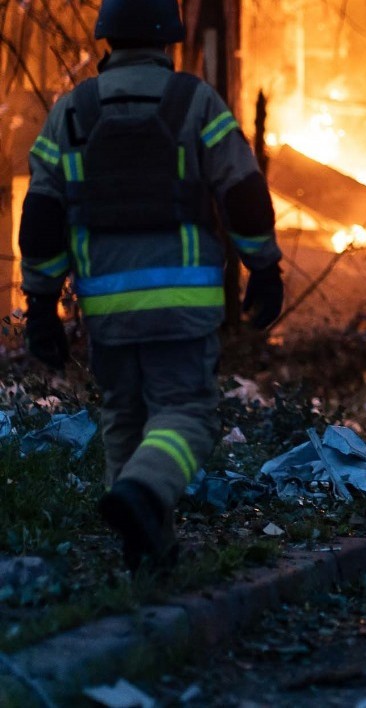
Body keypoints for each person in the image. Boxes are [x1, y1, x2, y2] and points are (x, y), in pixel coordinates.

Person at [18, 0, 283, 571]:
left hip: (107, 307)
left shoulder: (72, 111)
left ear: (107, 36)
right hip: (182, 305)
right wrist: (263, 266)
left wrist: (40, 304)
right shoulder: (194, 102)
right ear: (169, 36)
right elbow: (242, 189)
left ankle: (148, 550)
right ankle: (142, 491)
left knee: (125, 417)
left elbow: (41, 212)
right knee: (187, 414)